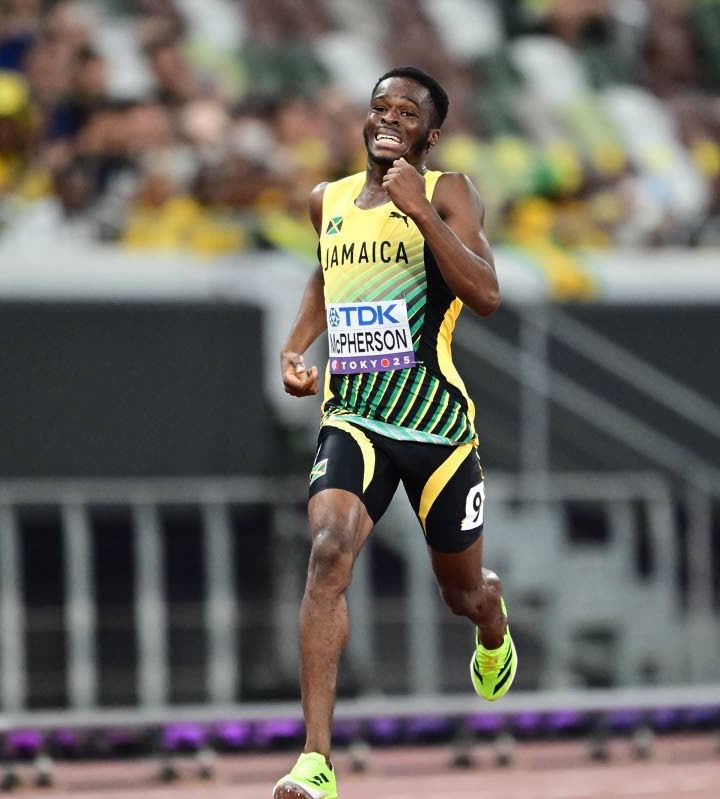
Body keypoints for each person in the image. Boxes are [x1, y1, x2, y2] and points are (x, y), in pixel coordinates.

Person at [274, 66, 513, 799]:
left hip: (436, 423)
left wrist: (423, 213)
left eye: (406, 112)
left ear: (429, 134)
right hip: (355, 417)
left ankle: (494, 624)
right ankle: (316, 759)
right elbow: (325, 275)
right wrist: (297, 345)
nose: (388, 118)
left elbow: (486, 295)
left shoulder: (450, 191)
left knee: (460, 592)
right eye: (380, 106)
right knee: (328, 551)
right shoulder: (330, 200)